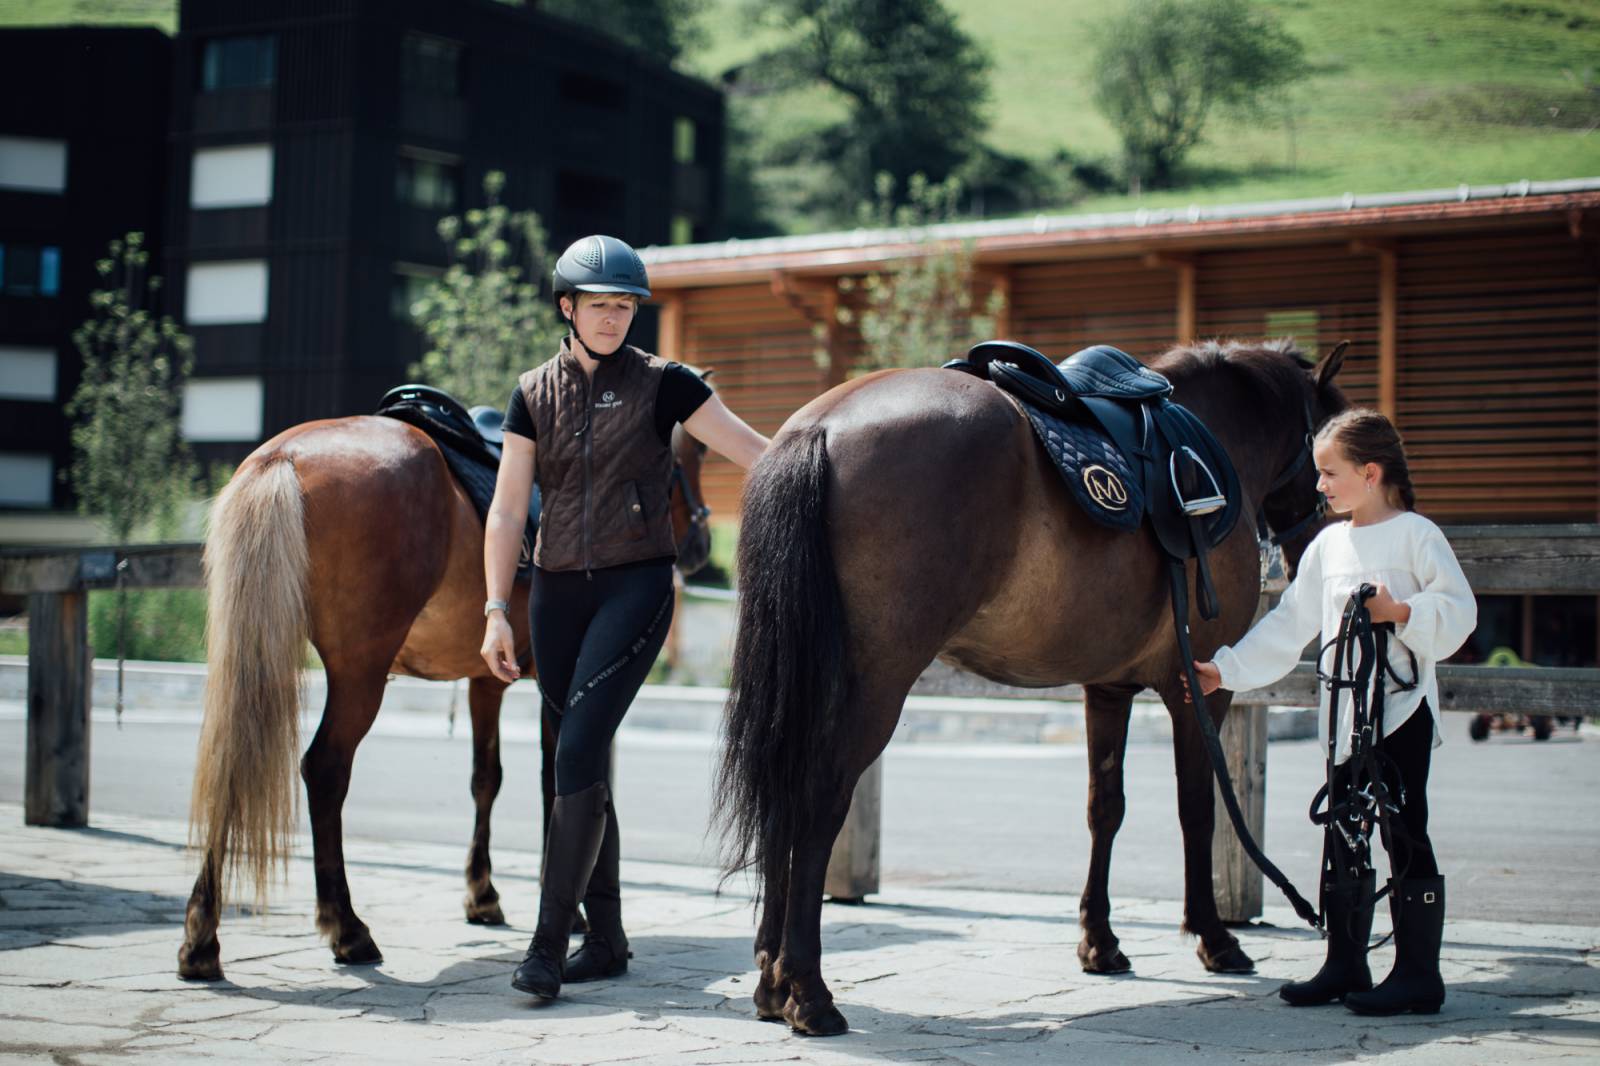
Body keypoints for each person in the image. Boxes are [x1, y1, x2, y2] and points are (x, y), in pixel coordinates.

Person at [479, 234, 768, 1000]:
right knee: (572, 760)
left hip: (634, 587)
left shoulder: (666, 384)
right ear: (567, 308)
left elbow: (748, 448)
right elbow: (508, 510)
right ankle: (604, 939)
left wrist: (825, 473)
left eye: (624, 306)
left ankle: (547, 947)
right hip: (554, 595)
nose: (613, 319)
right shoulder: (532, 391)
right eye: (598, 305)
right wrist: (495, 610)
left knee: (575, 754)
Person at [1187, 407, 1476, 1015]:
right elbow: (1290, 624)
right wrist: (1226, 670)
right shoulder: (1327, 546)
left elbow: (1459, 613)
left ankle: (1419, 974)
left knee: (1403, 830)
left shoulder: (1418, 536)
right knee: (1345, 829)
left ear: (1370, 473)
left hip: (1400, 711)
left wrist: (1401, 614)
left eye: (1328, 473)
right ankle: (1344, 963)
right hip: (1344, 715)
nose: (1318, 486)